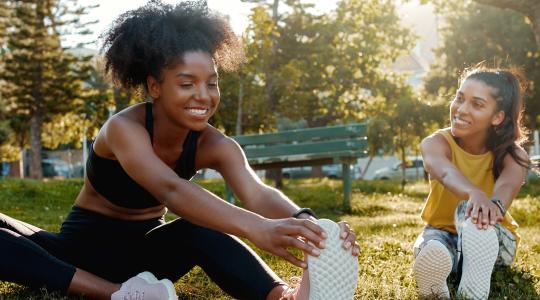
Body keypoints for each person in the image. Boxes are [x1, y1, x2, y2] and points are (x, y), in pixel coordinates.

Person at [0, 1, 360, 300]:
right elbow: (170, 189)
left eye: (212, 83)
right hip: (76, 255)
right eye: (187, 83)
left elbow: (257, 191)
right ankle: (117, 294)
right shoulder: (124, 129)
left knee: (199, 229)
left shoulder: (215, 144)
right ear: (155, 86)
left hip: (148, 259)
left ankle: (281, 297)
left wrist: (313, 227)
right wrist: (256, 228)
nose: (203, 96)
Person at [413, 66, 530, 299]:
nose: (461, 109)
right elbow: (444, 172)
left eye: (477, 104)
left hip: (491, 233)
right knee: (432, 246)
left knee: (471, 211)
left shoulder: (513, 156)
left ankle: (472, 266)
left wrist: (485, 203)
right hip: (442, 230)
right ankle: (445, 268)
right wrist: (473, 191)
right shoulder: (436, 143)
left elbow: (504, 192)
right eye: (459, 98)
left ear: (497, 117)